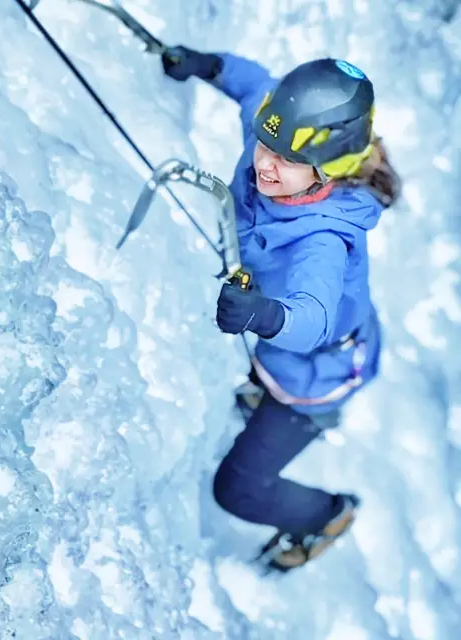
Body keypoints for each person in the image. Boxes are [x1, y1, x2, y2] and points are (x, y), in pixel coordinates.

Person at [161, 47, 401, 572]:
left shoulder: (323, 242)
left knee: (239, 489)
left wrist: (263, 316)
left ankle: (328, 514)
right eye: (266, 145)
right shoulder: (278, 141)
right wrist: (208, 65)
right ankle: (258, 388)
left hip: (314, 373)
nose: (266, 164)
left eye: (288, 160)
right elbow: (256, 87)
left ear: (329, 172)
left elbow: (310, 317)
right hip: (281, 341)